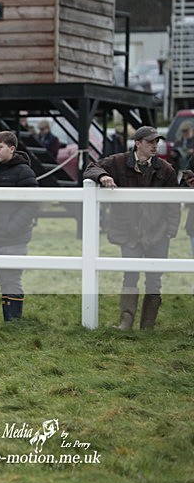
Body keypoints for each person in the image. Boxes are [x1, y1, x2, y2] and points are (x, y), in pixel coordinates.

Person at [83, 126, 181, 330]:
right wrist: (102, 176)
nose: (154, 146)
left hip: (157, 232)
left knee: (154, 278)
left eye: (156, 142)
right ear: (137, 143)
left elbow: (174, 203)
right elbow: (91, 167)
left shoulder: (166, 169)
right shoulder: (117, 162)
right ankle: (125, 322)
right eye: (150, 142)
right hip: (130, 232)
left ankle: (147, 326)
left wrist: (171, 230)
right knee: (130, 274)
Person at [0, 131, 39, 322]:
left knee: (12, 277)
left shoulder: (24, 172)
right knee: (3, 277)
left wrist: (12, 228)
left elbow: (32, 203)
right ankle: (9, 319)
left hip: (15, 236)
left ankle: (13, 320)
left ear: (12, 149)